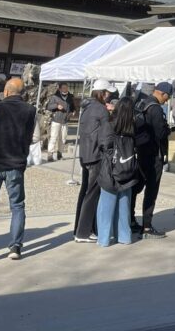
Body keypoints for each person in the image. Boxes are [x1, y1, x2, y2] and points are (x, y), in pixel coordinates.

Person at [0, 76, 39, 263]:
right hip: (16, 163)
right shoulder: (30, 111)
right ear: (21, 93)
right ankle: (15, 247)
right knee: (17, 206)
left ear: (7, 91)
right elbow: (35, 137)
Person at [95, 97, 139, 247]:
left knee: (106, 208)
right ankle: (124, 237)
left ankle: (104, 239)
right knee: (123, 206)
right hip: (128, 170)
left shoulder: (109, 125)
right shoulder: (133, 127)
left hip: (110, 170)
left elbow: (103, 145)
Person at [133, 82, 172, 239]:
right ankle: (147, 226)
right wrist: (167, 129)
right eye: (167, 97)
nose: (167, 101)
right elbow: (160, 133)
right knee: (151, 190)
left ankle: (130, 220)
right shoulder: (155, 108)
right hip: (153, 154)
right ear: (162, 93)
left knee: (135, 188)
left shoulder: (141, 102)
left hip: (139, 151)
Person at [74, 79, 112, 243]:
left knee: (85, 193)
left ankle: (79, 229)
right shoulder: (101, 110)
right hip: (96, 156)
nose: (109, 95)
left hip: (85, 154)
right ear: (102, 93)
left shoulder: (87, 107)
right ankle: (83, 232)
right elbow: (105, 137)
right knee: (91, 195)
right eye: (108, 92)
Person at [45, 82, 74, 162]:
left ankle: (59, 154)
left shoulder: (70, 97)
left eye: (66, 87)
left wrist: (73, 112)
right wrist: (57, 106)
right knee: (53, 137)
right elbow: (49, 106)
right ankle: (50, 154)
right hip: (56, 120)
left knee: (63, 138)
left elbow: (72, 107)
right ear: (60, 89)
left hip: (65, 120)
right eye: (64, 88)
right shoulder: (55, 97)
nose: (66, 89)